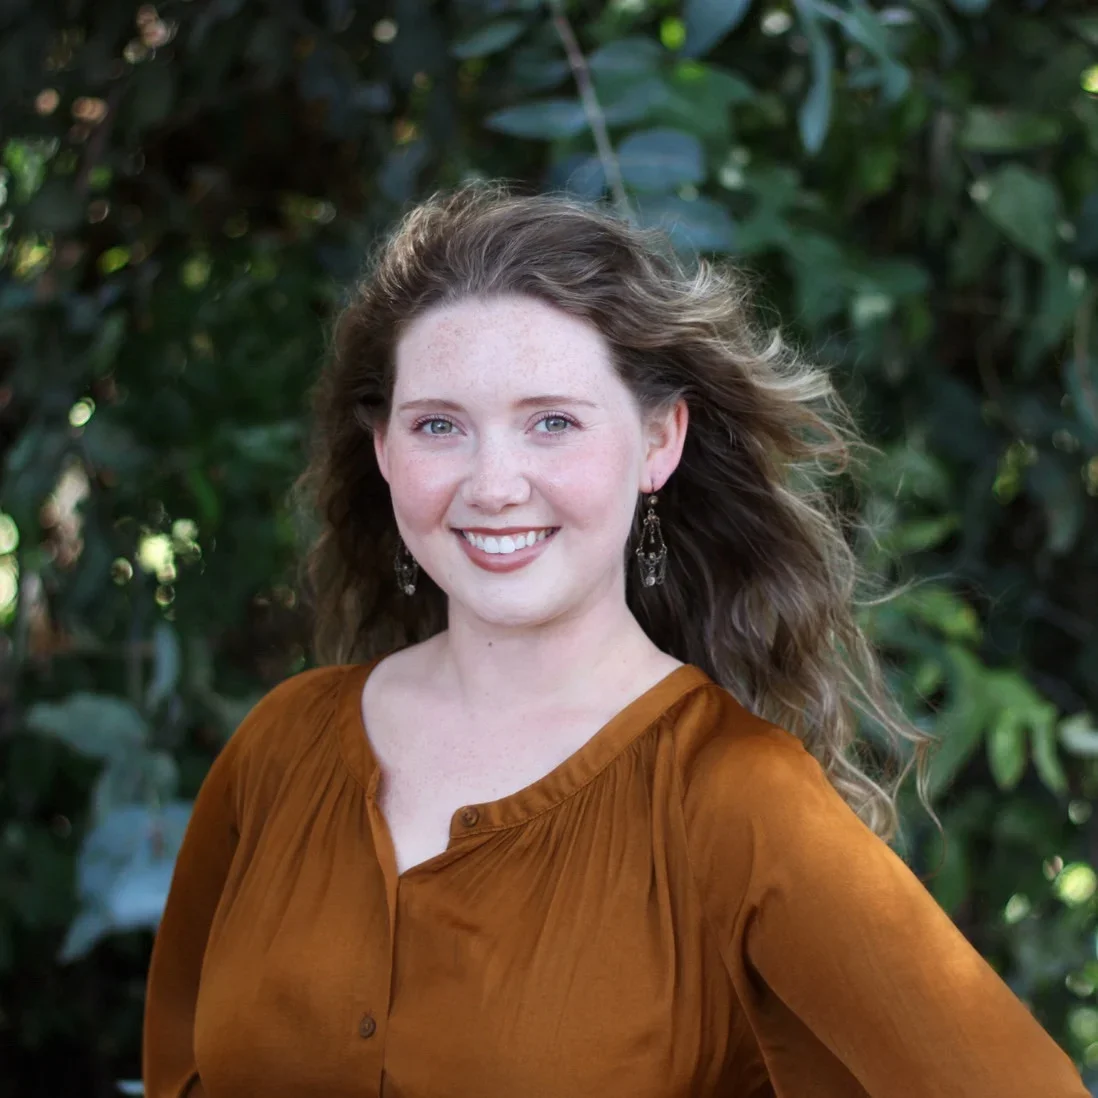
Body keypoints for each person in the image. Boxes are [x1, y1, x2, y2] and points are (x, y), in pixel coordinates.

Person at [142, 183, 1088, 1097]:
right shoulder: (280, 748)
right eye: (440, 426)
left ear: (657, 443)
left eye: (551, 423)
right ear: (385, 450)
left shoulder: (735, 797)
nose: (494, 483)